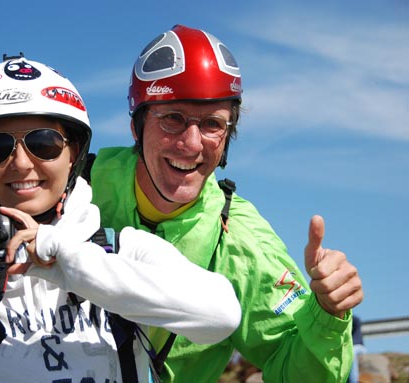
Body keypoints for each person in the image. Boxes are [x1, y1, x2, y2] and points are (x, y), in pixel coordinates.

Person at [0, 54, 241, 382]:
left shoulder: (123, 249)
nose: (19, 163)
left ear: (74, 154)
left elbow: (220, 315)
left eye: (43, 143)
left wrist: (58, 257)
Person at [90, 25, 364, 383]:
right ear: (136, 126)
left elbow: (298, 371)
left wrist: (328, 314)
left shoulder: (242, 243)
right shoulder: (76, 187)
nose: (191, 144)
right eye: (172, 119)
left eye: (212, 124)